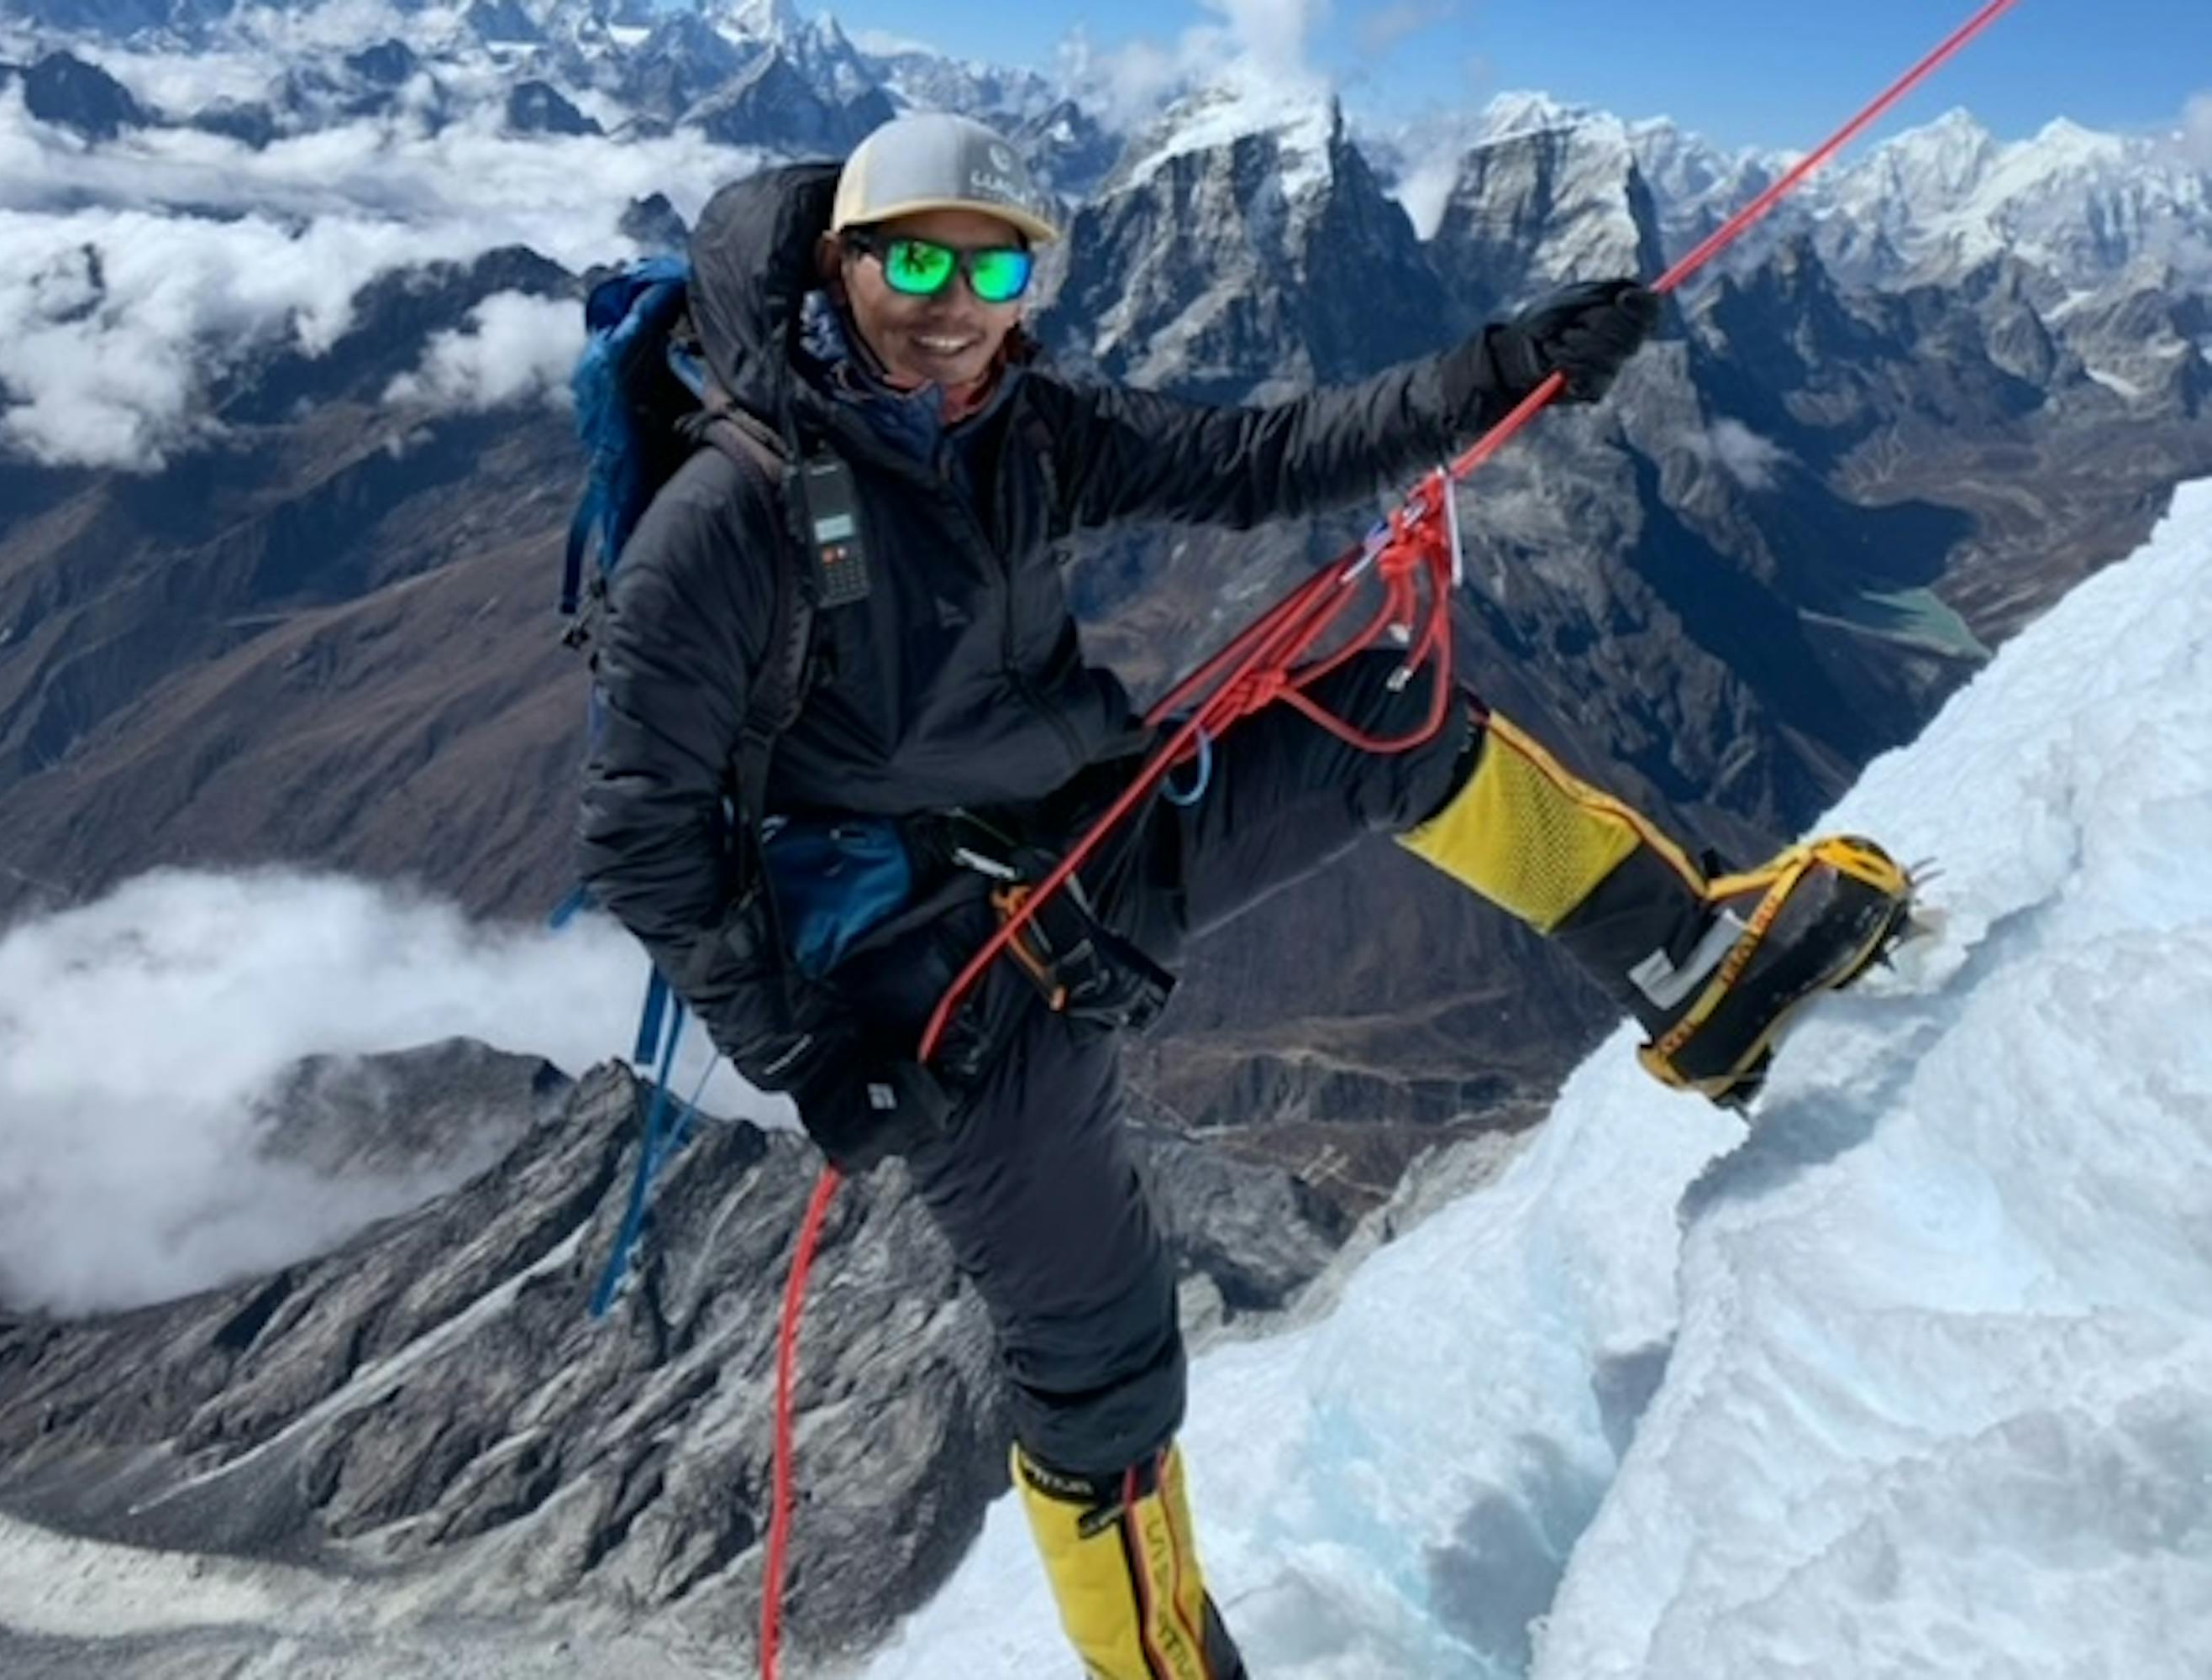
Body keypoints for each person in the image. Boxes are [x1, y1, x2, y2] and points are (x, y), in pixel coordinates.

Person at [575, 112, 1910, 1679]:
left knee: (1388, 718)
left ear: (1032, 280)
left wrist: (1500, 369)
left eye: (989, 263)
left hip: (1085, 848)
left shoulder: (1025, 428)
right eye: (912, 258)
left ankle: (1706, 988)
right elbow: (644, 832)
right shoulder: (725, 521)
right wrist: (812, 1051)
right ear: (839, 262)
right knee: (1103, 1363)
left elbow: (1261, 460)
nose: (950, 303)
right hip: (932, 995)